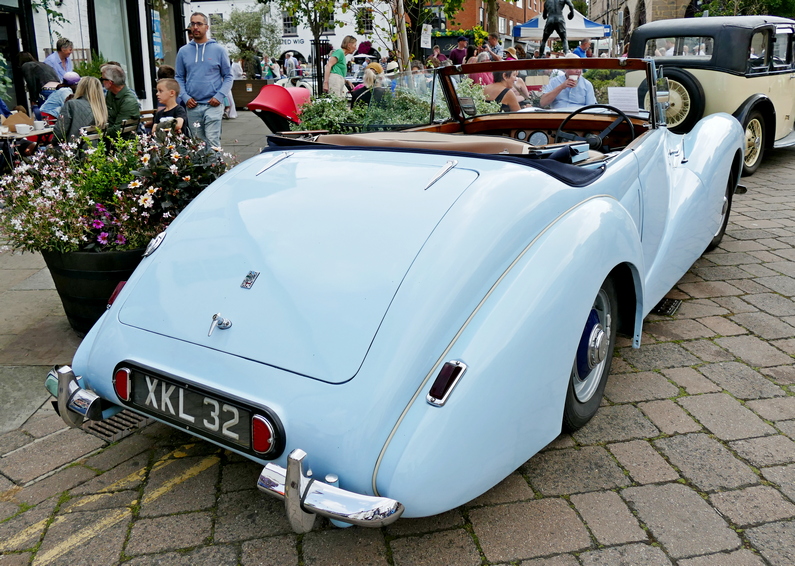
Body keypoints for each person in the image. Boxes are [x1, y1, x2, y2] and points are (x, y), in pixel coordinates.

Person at [175, 12, 233, 148]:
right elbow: (178, 77)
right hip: (193, 105)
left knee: (212, 140)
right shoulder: (183, 52)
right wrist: (185, 97)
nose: (195, 27)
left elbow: (228, 76)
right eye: (192, 24)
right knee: (197, 143)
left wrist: (219, 96)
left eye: (199, 24)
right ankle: (202, 169)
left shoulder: (219, 50)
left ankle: (215, 169)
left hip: (213, 104)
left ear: (206, 27)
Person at [53, 76, 107, 141]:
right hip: (96, 148)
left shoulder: (71, 104)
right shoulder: (102, 107)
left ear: (80, 88)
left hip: (74, 148)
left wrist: (52, 143)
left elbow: (59, 132)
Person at [102, 64, 140, 137]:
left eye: (102, 79)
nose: (102, 82)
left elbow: (117, 129)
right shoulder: (110, 93)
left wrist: (97, 132)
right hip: (108, 139)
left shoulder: (128, 101)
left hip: (123, 142)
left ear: (110, 82)